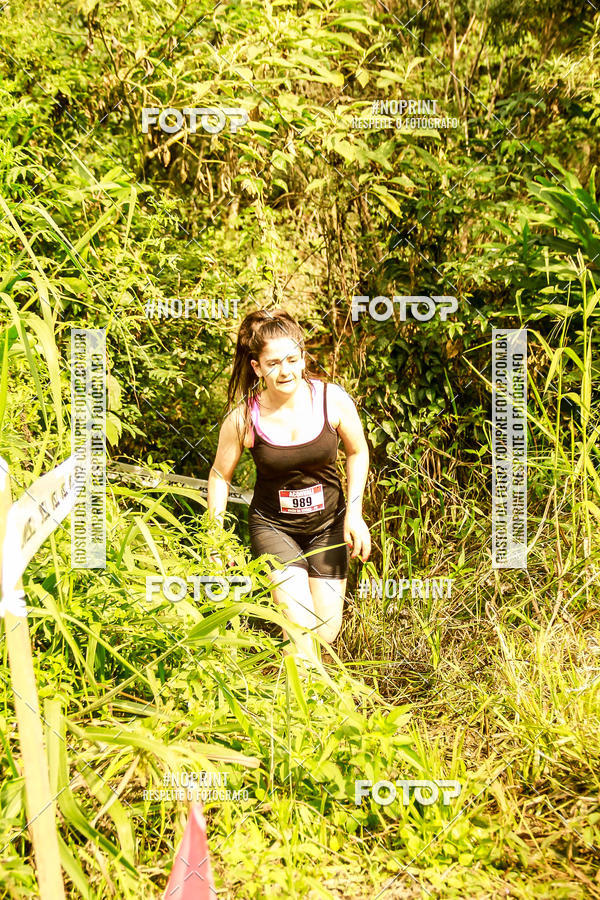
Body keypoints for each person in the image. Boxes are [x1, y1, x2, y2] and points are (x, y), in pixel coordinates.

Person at [207, 309, 371, 661]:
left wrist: (355, 514)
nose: (285, 371)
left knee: (325, 632)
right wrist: (215, 537)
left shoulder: (332, 400)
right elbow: (220, 475)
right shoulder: (243, 418)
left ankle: (302, 684)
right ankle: (300, 693)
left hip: (328, 525)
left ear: (303, 357)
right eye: (273, 363)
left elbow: (358, 452)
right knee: (299, 629)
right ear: (257, 367)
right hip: (274, 527)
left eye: (293, 360)